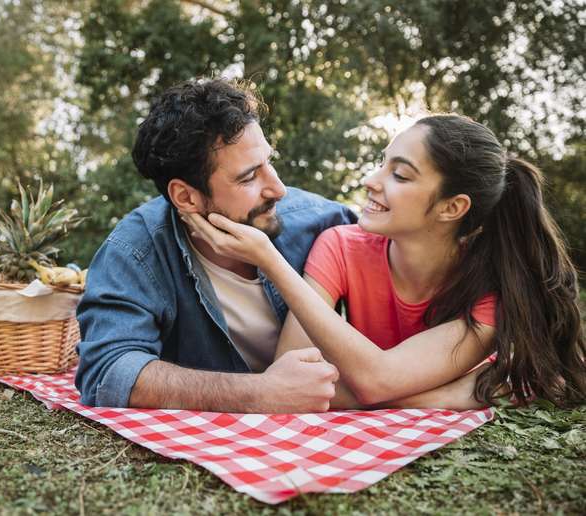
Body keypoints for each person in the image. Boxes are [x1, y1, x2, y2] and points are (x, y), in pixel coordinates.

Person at [183, 114, 586, 409]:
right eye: (382, 162)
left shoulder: (488, 286)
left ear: (452, 207)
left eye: (401, 175)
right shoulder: (340, 246)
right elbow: (296, 376)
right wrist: (454, 395)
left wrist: (271, 262)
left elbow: (375, 382)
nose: (372, 181)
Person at [74, 78, 356, 411]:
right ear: (186, 197)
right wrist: (260, 393)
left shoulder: (323, 223)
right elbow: (107, 372)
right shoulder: (135, 251)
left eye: (270, 161)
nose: (278, 189)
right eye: (249, 177)